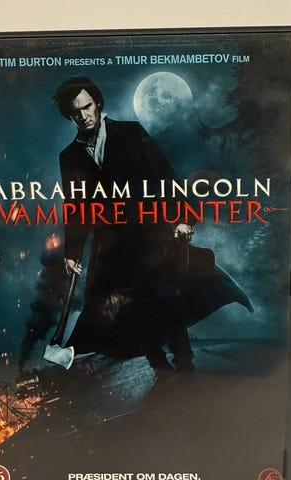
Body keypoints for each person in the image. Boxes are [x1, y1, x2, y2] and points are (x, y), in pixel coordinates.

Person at [54, 77, 195, 371]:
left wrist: (183, 217)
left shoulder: (130, 133)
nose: (83, 116)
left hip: (150, 236)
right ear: (69, 116)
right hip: (111, 248)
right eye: (75, 112)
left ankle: (185, 364)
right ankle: (159, 367)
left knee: (165, 298)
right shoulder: (69, 157)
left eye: (87, 107)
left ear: (98, 103)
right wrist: (71, 253)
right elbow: (75, 208)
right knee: (128, 310)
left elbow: (164, 175)